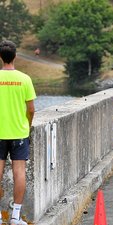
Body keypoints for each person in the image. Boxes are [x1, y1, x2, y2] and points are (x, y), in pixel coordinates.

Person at [0, 40, 36, 225]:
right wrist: (27, 125)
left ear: (0, 57)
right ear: (15, 56)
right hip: (19, 132)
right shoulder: (24, 79)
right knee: (19, 172)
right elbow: (31, 109)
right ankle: (15, 217)